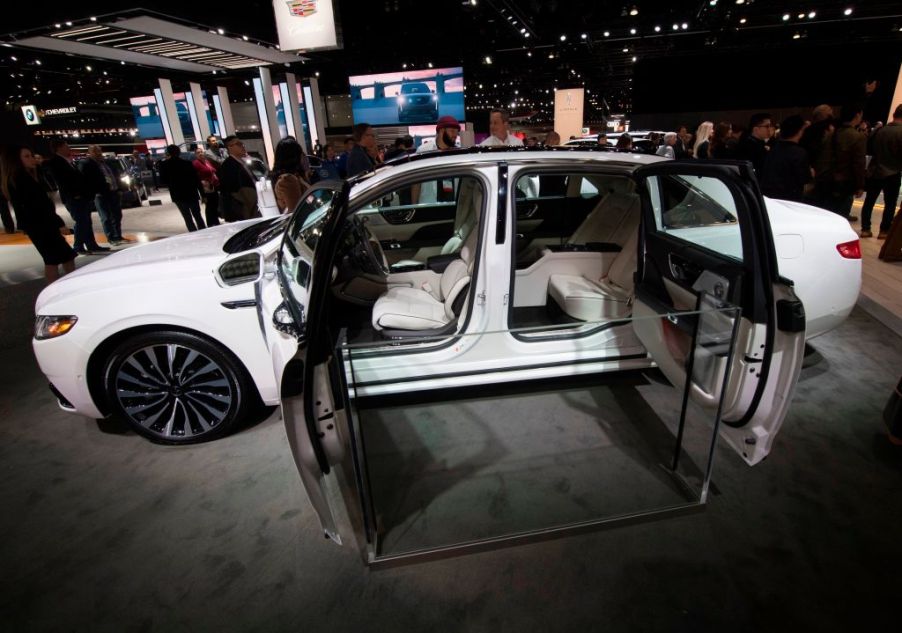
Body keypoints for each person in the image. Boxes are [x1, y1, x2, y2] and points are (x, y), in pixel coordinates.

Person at [1, 145, 76, 281]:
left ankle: (61, 288)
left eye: (31, 155)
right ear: (16, 160)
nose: (32, 159)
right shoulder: (21, 179)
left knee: (57, 258)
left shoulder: (21, 177)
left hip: (37, 225)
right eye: (27, 156)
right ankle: (61, 289)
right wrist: (58, 224)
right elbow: (39, 206)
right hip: (41, 225)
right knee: (59, 258)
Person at [45, 139, 108, 253]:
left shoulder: (68, 161)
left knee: (86, 221)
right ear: (59, 148)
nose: (68, 148)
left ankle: (91, 244)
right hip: (73, 198)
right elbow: (63, 181)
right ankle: (78, 246)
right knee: (81, 221)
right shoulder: (55, 162)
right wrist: (75, 195)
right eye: (66, 146)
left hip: (81, 197)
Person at [859, 104, 902, 239]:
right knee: (890, 204)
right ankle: (884, 231)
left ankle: (865, 229)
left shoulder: (879, 130)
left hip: (875, 170)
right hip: (893, 172)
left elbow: (869, 148)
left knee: (869, 201)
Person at [820, 104, 867, 219]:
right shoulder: (858, 137)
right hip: (846, 183)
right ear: (857, 115)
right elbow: (859, 164)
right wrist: (860, 185)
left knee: (827, 215)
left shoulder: (833, 134)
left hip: (828, 180)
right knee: (840, 218)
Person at [760, 115, 812, 203]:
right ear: (800, 131)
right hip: (789, 199)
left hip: (770, 197)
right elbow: (804, 178)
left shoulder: (773, 149)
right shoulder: (799, 152)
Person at [81, 145, 125, 246]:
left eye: (99, 151)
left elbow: (116, 176)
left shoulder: (107, 162)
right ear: (90, 152)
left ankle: (118, 235)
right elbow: (87, 180)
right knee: (106, 217)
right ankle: (111, 237)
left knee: (117, 215)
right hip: (100, 194)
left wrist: (119, 188)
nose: (98, 153)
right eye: (95, 151)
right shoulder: (88, 164)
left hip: (113, 192)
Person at [158, 145, 205, 232]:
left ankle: (193, 234)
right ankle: (204, 232)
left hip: (177, 194)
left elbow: (162, 181)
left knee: (187, 217)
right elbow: (196, 180)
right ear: (179, 152)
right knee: (197, 215)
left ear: (168, 153)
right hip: (191, 192)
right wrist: (202, 194)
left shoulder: (164, 165)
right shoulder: (187, 163)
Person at [218, 135, 260, 222]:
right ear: (230, 147)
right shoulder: (228, 166)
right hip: (243, 211)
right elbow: (231, 191)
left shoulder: (241, 162)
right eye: (238, 144)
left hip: (252, 206)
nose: (242, 146)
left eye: (242, 143)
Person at [270, 137, 311, 214]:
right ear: (294, 157)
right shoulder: (288, 179)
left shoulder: (294, 176)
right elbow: (296, 211)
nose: (303, 157)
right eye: (300, 154)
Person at [192, 148, 220, 227]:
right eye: (198, 153)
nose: (200, 154)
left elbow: (213, 170)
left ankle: (215, 221)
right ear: (195, 155)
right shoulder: (195, 163)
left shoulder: (206, 161)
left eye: (201, 152)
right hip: (205, 187)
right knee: (209, 205)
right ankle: (211, 223)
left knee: (214, 204)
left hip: (213, 185)